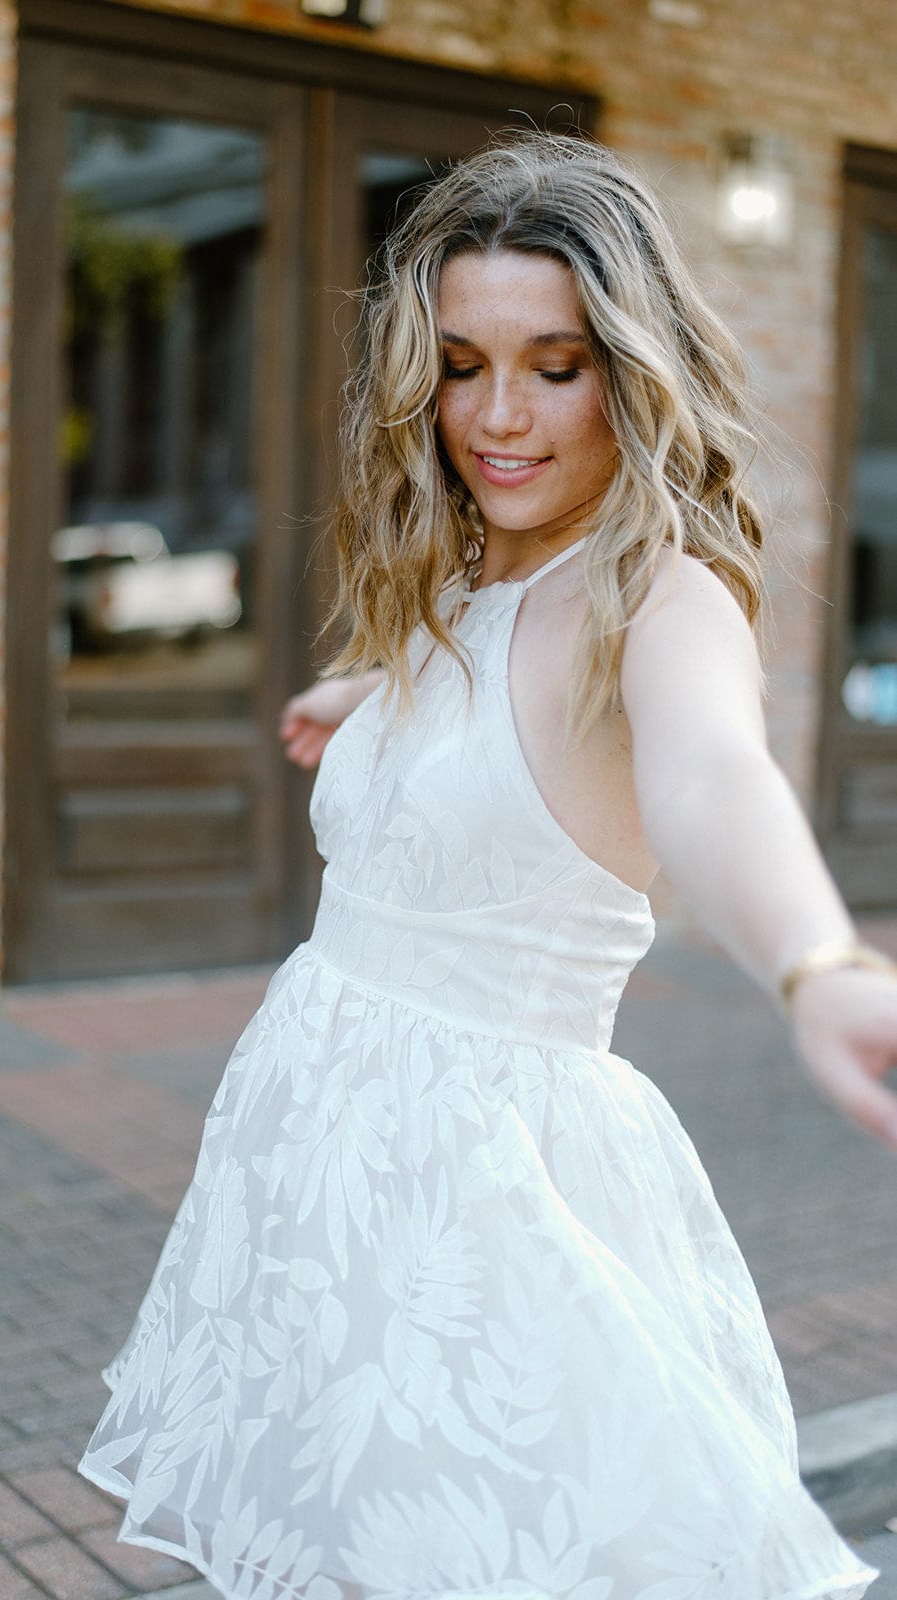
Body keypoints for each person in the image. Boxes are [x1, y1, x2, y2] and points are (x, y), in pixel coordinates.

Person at [79, 132, 894, 1600]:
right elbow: (489, 710)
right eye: (460, 364)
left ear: (632, 371)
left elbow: (713, 775)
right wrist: (368, 696)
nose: (497, 416)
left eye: (556, 365)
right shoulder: (466, 576)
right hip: (328, 1161)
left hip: (485, 1198)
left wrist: (818, 963)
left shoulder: (661, 591)